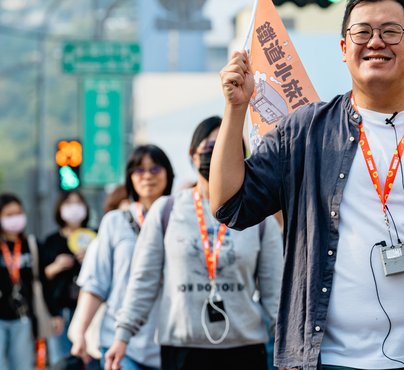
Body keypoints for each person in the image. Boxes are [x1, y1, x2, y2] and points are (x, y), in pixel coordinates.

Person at [211, 0, 404, 370]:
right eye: (362, 32)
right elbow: (229, 205)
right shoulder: (304, 131)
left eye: (390, 31)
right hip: (327, 358)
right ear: (343, 49)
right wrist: (235, 108)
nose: (375, 42)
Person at [105, 116, 283, 370]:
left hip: (243, 351)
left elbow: (275, 292)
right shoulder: (166, 211)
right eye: (210, 148)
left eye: (229, 147)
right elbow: (143, 280)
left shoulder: (259, 217)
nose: (219, 154)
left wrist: (289, 348)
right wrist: (122, 336)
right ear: (192, 154)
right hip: (182, 350)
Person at [70, 145, 175, 370]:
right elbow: (97, 283)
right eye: (139, 170)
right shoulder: (115, 221)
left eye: (155, 168)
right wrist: (80, 332)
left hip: (170, 341)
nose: (147, 175)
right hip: (120, 342)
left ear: (168, 173)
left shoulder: (181, 219)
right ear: (130, 178)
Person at [0, 193, 59, 370]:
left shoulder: (32, 245)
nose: (15, 218)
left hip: (22, 317)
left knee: (22, 366)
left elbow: (43, 281)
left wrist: (54, 313)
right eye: (9, 215)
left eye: (18, 213)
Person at [43, 190, 92, 365]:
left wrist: (90, 260)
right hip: (61, 310)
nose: (74, 208)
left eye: (78, 203)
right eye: (68, 204)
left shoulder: (95, 237)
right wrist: (56, 267)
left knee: (90, 358)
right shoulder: (52, 241)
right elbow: (42, 278)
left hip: (90, 309)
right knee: (63, 361)